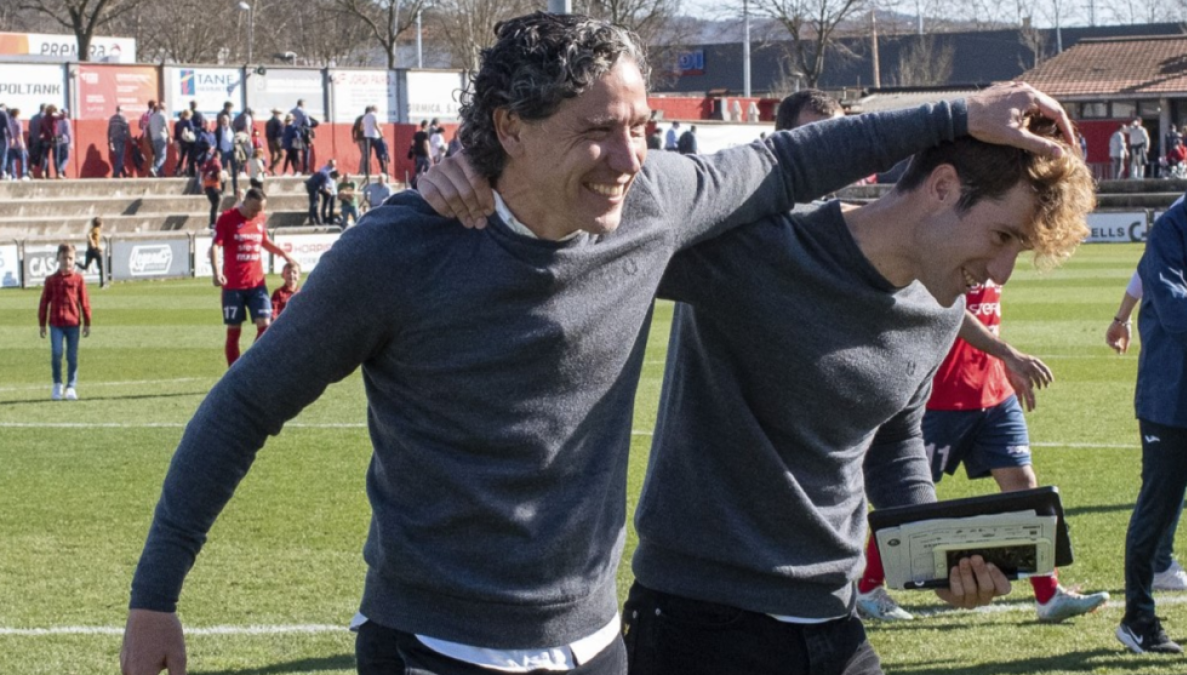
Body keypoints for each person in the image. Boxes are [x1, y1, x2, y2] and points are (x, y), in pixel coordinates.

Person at [119, 12, 1074, 675]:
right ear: (508, 129)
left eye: (641, 128)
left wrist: (959, 113)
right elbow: (244, 406)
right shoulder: (403, 250)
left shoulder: (653, 205)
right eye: (597, 132)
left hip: (598, 644)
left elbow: (785, 160)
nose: (628, 160)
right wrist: (156, 595)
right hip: (436, 643)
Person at [620, 118, 1092, 675]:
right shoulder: (764, 244)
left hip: (832, 622)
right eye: (1003, 236)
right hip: (698, 624)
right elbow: (614, 210)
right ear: (942, 188)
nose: (1002, 272)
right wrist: (489, 168)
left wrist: (935, 556)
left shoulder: (940, 312)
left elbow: (894, 437)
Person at [855, 284, 1109, 623]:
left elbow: (987, 314)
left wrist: (1003, 366)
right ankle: (868, 588)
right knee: (905, 505)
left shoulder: (994, 246)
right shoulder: (948, 242)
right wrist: (1008, 353)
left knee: (1024, 488)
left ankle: (1048, 596)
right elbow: (950, 310)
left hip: (993, 392)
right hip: (941, 397)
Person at [1116, 136, 1187, 655]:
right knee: (1156, 510)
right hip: (1174, 400)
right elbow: (1174, 311)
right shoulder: (1171, 228)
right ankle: (1138, 620)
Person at [1105, 269, 1187, 594]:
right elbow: (1144, 273)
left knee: (1170, 479)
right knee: (1165, 481)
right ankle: (1153, 577)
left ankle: (1158, 566)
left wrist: (1122, 318)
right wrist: (1122, 318)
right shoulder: (1177, 225)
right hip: (1171, 385)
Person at [207, 188, 295, 367]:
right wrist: (217, 272)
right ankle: (234, 374)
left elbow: (263, 241)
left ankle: (249, 366)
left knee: (265, 326)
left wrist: (283, 254)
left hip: (257, 284)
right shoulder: (227, 218)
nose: (256, 213)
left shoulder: (260, 218)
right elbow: (215, 246)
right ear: (244, 201)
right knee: (234, 330)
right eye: (253, 209)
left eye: (260, 210)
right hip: (233, 286)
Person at [38, 243, 92, 401]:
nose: (67, 261)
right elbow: (44, 302)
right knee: (56, 353)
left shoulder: (78, 280)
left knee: (72, 355)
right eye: (64, 258)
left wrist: (87, 322)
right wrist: (42, 323)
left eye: (70, 258)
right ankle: (57, 384)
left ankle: (71, 386)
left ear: (74, 260)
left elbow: (85, 302)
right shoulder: (51, 280)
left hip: (73, 324)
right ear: (58, 258)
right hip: (55, 324)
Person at [198, 148, 224, 228]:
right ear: (218, 155)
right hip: (214, 186)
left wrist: (202, 187)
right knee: (215, 205)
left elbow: (202, 174)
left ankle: (212, 223)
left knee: (213, 205)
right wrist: (222, 184)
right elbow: (219, 175)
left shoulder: (207, 162)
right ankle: (213, 223)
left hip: (207, 186)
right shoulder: (217, 163)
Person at [79, 217, 106, 288]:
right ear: (100, 224)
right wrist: (98, 247)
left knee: (85, 267)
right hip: (94, 250)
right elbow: (92, 239)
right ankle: (102, 284)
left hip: (89, 251)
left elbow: (89, 236)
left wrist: (92, 242)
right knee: (101, 267)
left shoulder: (93, 229)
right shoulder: (97, 230)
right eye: (102, 223)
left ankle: (75, 263)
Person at [147, 102, 170, 178]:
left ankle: (161, 174)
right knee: (163, 157)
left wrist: (150, 140)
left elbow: (148, 129)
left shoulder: (152, 116)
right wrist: (170, 137)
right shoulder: (164, 115)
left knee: (158, 157)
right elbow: (167, 127)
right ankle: (154, 168)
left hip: (154, 138)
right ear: (164, 108)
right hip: (161, 137)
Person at [107, 107, 130, 178]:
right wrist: (131, 139)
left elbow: (109, 131)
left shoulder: (112, 118)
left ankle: (124, 173)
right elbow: (127, 129)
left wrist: (109, 141)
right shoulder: (123, 118)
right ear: (122, 111)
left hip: (113, 140)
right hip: (121, 140)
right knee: (120, 157)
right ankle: (116, 173)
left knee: (118, 156)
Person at [6, 108, 27, 180]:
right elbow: (20, 133)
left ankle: (13, 176)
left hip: (10, 144)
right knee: (23, 159)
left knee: (12, 161)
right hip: (18, 143)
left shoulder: (8, 121)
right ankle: (23, 175)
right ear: (17, 114)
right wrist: (23, 143)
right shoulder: (18, 122)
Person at [409, 119, 431, 188]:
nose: (428, 127)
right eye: (427, 125)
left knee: (418, 171)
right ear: (425, 125)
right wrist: (429, 154)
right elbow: (426, 144)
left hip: (418, 155)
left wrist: (412, 150)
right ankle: (426, 184)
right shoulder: (425, 134)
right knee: (428, 170)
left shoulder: (416, 134)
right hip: (425, 155)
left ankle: (414, 183)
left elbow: (412, 143)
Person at [265, 108, 284, 175]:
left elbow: (266, 133)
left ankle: (272, 170)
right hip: (276, 140)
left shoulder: (268, 122)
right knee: (281, 155)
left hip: (270, 140)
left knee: (272, 154)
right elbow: (281, 132)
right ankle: (272, 167)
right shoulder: (278, 122)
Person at [54, 108, 71, 178]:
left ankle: (60, 173)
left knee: (58, 157)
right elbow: (68, 133)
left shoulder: (56, 120)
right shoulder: (66, 121)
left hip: (56, 138)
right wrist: (70, 142)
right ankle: (60, 171)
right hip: (64, 138)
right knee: (66, 157)